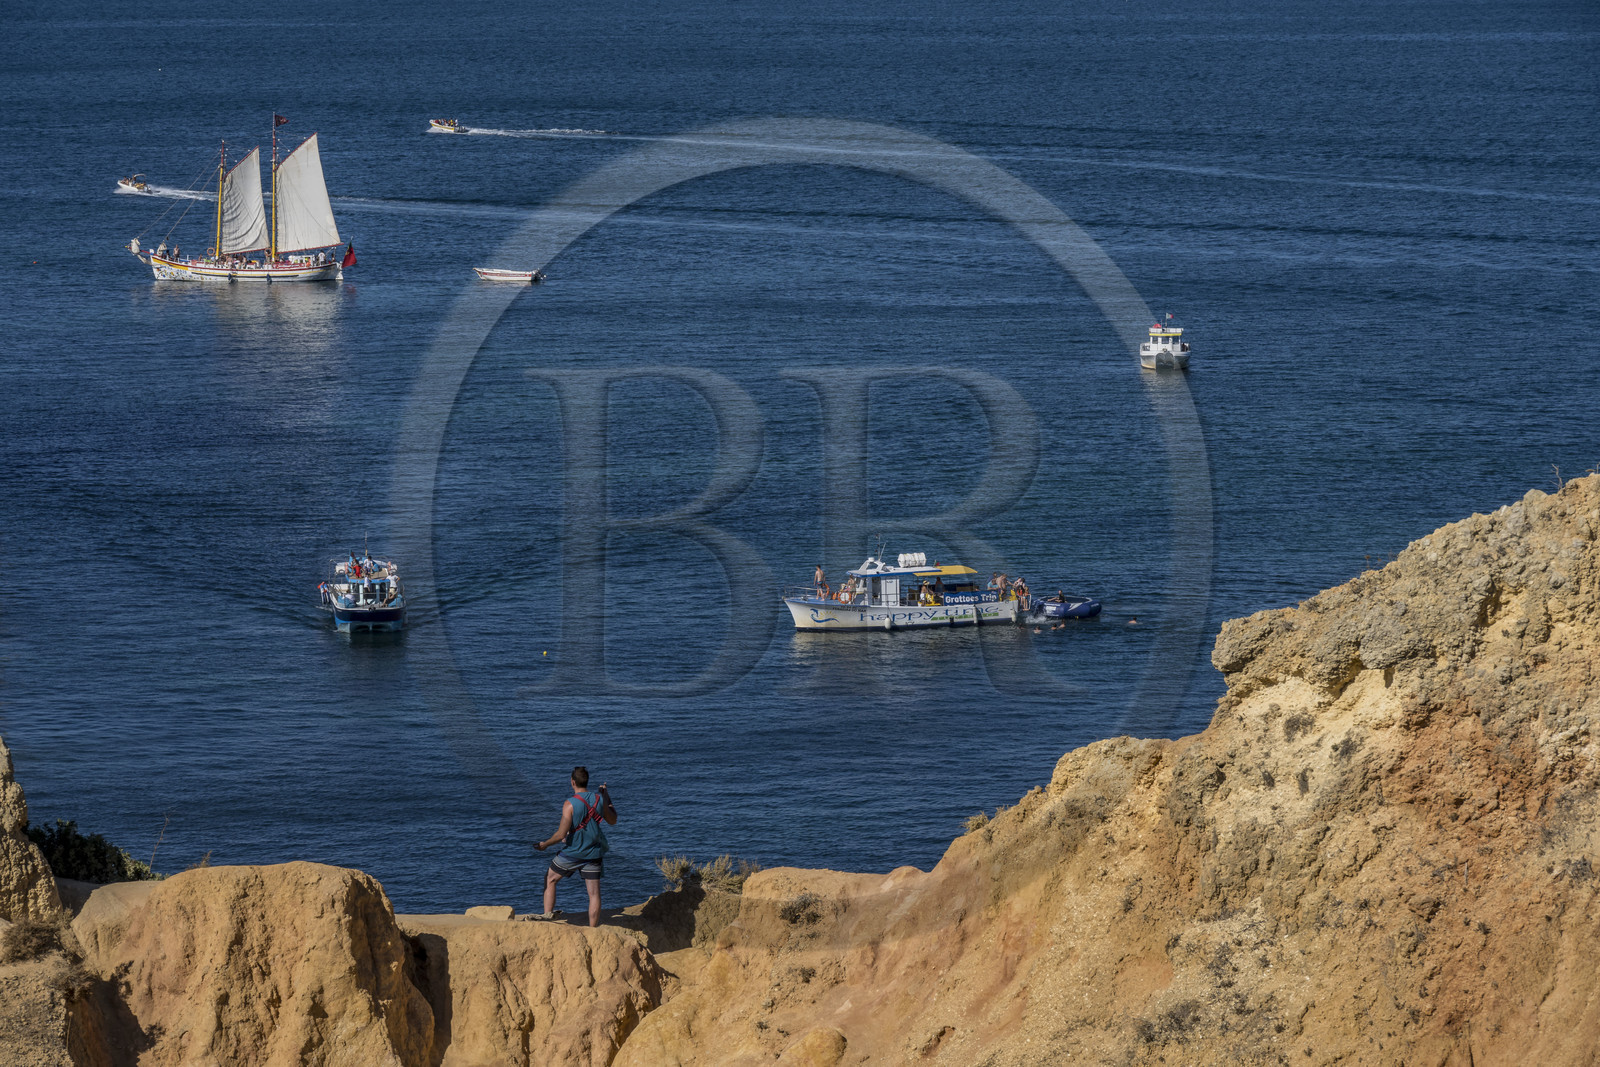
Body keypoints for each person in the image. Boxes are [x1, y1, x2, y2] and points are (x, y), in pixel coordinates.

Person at [534, 767, 617, 926]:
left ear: (572, 782)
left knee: (550, 879)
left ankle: (547, 918)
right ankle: (593, 929)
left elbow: (560, 835)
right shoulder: (599, 799)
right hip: (593, 853)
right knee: (594, 894)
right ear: (587, 781)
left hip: (573, 852)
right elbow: (613, 820)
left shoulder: (569, 804)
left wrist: (544, 845)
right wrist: (607, 796)